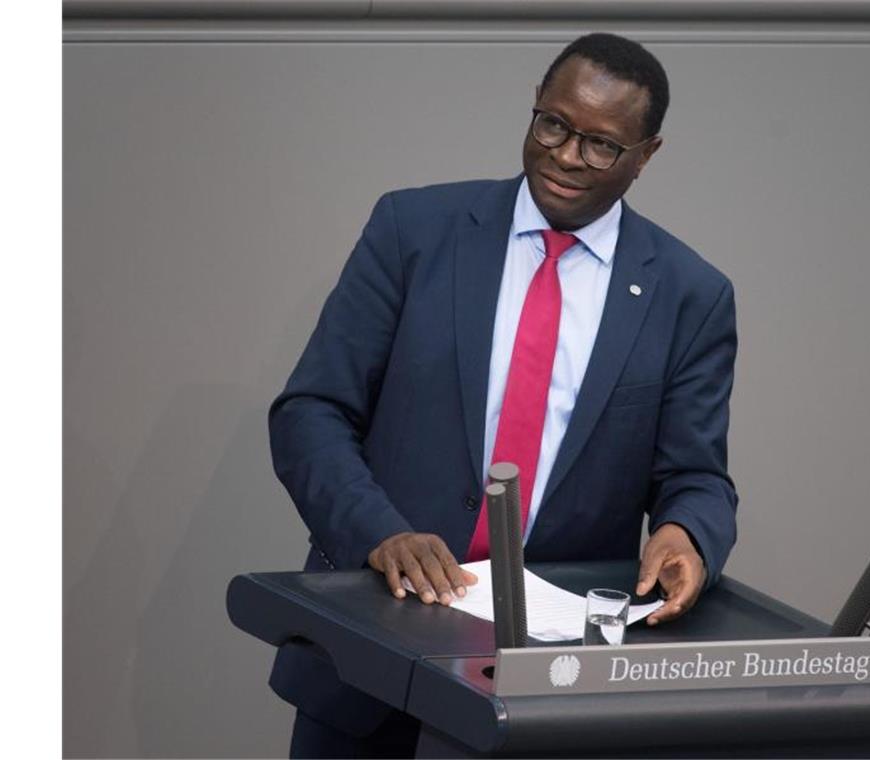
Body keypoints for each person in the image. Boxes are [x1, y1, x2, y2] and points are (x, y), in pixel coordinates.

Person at [267, 32, 740, 758]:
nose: (566, 155)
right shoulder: (414, 231)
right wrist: (378, 533)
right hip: (370, 649)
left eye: (601, 145)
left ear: (646, 155)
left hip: (546, 682)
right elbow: (311, 412)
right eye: (553, 124)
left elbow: (697, 477)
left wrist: (688, 535)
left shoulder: (689, 295)